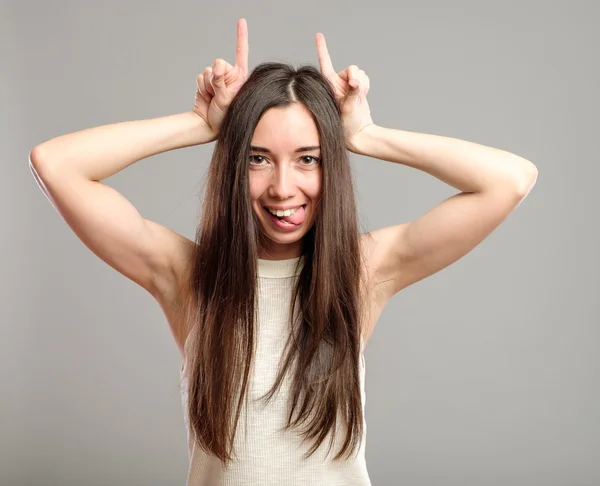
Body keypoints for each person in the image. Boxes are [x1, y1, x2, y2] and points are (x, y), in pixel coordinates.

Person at [29, 18, 537, 486]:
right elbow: (56, 164)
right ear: (233, 165)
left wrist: (366, 135)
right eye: (257, 159)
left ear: (330, 166)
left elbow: (510, 180)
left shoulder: (362, 272)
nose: (282, 187)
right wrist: (200, 123)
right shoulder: (188, 275)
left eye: (308, 159)